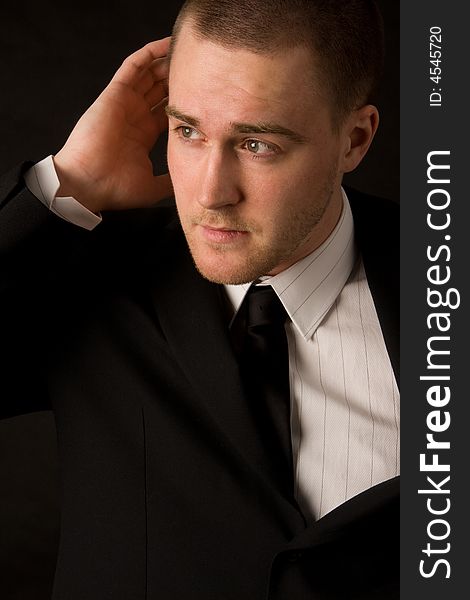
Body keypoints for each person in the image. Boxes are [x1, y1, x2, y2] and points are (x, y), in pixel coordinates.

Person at [0, 0, 399, 598]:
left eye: (258, 144)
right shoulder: (86, 274)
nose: (211, 192)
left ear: (355, 139)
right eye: (186, 131)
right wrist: (68, 183)